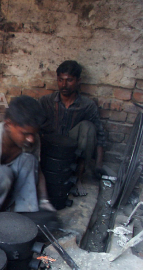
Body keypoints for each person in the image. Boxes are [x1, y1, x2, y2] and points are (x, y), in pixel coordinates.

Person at [39, 60, 106, 196]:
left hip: (73, 150)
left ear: (78, 80)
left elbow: (100, 135)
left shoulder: (87, 105)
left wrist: (99, 164)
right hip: (50, 148)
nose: (64, 85)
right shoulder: (46, 101)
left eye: (69, 80)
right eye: (60, 80)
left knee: (88, 127)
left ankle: (77, 178)